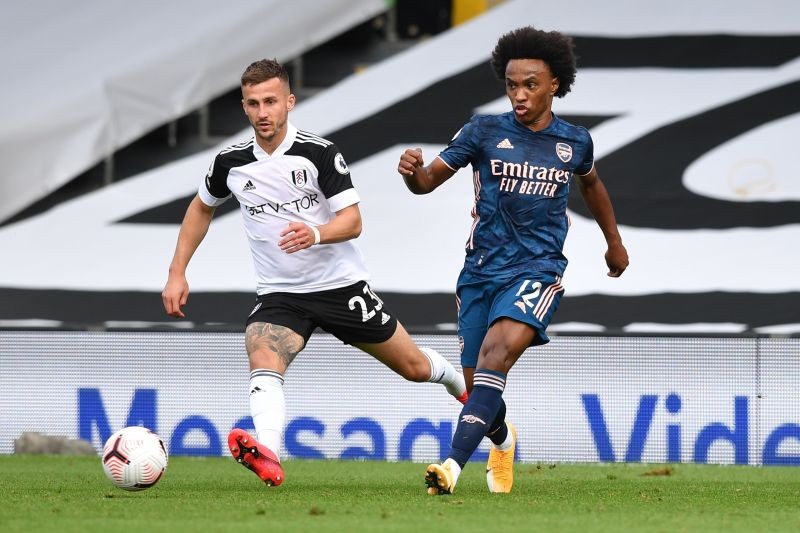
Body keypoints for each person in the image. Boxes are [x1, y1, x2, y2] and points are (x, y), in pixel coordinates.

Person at [162, 58, 467, 487]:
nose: (263, 112)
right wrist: (177, 272)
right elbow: (201, 207)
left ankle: (462, 388)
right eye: (253, 103)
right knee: (262, 352)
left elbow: (354, 221)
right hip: (281, 294)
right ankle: (268, 450)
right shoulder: (230, 162)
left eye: (271, 101)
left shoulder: (318, 153)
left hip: (340, 288)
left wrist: (315, 233)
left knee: (415, 368)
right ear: (245, 108)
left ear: (289, 102)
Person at [397, 27, 629, 495]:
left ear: (555, 85)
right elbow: (427, 183)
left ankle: (451, 468)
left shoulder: (574, 141)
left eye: (531, 85)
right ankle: (502, 441)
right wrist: (411, 174)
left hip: (539, 271)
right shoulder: (483, 131)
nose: (519, 95)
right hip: (480, 272)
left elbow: (592, 185)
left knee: (496, 356)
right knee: (475, 381)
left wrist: (613, 241)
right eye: (511, 85)